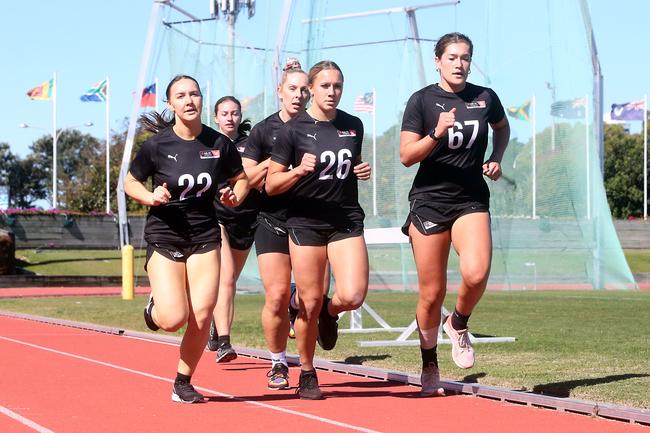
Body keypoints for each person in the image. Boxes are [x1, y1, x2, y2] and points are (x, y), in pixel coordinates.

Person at [124, 75, 249, 403]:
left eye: (194, 93)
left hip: (205, 235)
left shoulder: (219, 143)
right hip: (165, 236)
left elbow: (241, 179)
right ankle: (155, 309)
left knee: (203, 312)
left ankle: (183, 382)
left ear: (201, 100)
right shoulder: (157, 146)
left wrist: (234, 195)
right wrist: (151, 197)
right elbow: (130, 182)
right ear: (171, 104)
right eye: (181, 96)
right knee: (174, 318)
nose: (189, 100)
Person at [399, 32, 510, 397]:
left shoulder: (484, 97)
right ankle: (429, 361)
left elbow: (502, 127)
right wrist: (436, 133)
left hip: (470, 199)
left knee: (476, 273)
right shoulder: (422, 101)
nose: (459, 63)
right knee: (432, 293)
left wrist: (495, 158)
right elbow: (406, 156)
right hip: (430, 202)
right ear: (438, 61)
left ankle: (458, 323)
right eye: (452, 57)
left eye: (465, 57)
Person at [266, 60, 372, 400]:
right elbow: (271, 185)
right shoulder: (292, 130)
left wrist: (359, 171)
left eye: (338, 86)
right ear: (311, 88)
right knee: (308, 302)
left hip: (344, 220)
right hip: (306, 222)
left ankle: (331, 312)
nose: (332, 92)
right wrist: (297, 171)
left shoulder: (353, 126)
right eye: (325, 86)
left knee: (353, 295)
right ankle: (308, 371)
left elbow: (343, 168)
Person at [242, 58, 312, 391]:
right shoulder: (263, 131)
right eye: (292, 89)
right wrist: (279, 159)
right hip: (272, 221)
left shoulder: (320, 128)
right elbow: (250, 179)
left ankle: (314, 315)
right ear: (280, 92)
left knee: (312, 299)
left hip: (312, 222)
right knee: (277, 295)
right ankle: (278, 363)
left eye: (303, 90)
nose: (298, 95)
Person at [207, 96, 257, 364]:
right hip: (217, 217)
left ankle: (217, 323)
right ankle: (225, 341)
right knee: (225, 277)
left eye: (234, 113)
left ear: (240, 116)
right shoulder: (208, 144)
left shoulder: (251, 144)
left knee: (230, 281)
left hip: (246, 218)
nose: (229, 117)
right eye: (224, 113)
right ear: (215, 117)